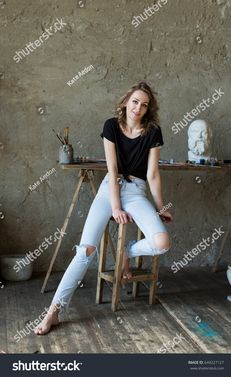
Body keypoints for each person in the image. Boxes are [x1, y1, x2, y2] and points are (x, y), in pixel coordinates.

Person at [34, 82, 173, 335]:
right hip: (110, 188)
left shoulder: (153, 132)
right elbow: (112, 169)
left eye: (144, 104)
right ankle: (53, 311)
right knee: (85, 251)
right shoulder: (111, 126)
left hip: (137, 190)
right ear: (125, 102)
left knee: (162, 242)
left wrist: (162, 207)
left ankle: (125, 254)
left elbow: (153, 174)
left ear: (148, 109)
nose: (138, 107)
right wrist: (116, 207)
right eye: (134, 101)